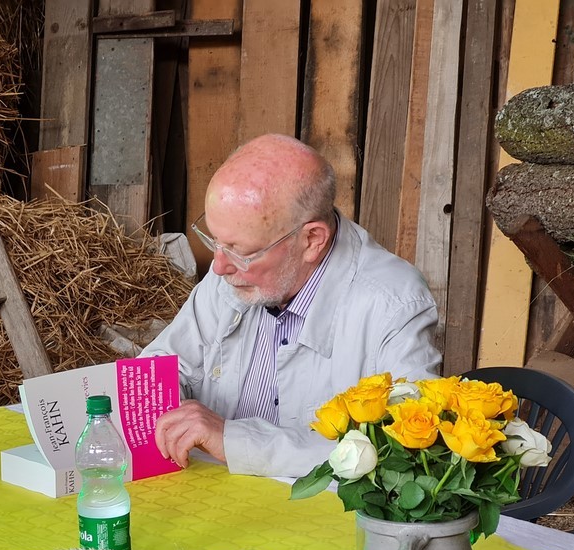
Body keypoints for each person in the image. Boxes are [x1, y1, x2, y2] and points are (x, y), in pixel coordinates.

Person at [142, 134, 441, 479]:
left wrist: (234, 440)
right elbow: (160, 369)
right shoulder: (232, 267)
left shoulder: (395, 304)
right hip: (215, 497)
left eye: (241, 251)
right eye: (214, 241)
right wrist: (169, 407)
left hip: (322, 518)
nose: (218, 266)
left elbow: (401, 453)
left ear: (312, 240)